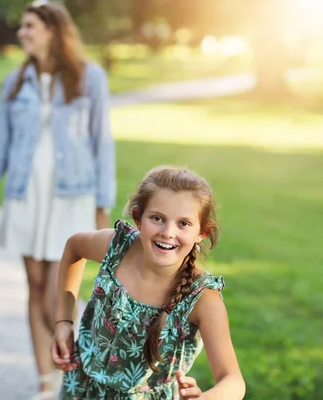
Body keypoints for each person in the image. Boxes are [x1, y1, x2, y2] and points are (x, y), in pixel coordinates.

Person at [0, 1, 115, 398]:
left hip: (71, 197)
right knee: (34, 285)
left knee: (58, 293)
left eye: (29, 26)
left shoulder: (89, 78)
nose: (22, 33)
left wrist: (103, 204)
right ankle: (47, 381)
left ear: (52, 29)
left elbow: (102, 143)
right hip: (27, 196)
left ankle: (77, 370)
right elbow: (0, 151)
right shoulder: (14, 83)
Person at [51, 166, 246, 399]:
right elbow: (74, 247)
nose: (167, 232)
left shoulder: (202, 298)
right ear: (138, 219)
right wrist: (63, 321)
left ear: (202, 233)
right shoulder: (117, 249)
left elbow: (233, 380)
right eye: (157, 218)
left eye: (183, 223)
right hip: (81, 388)